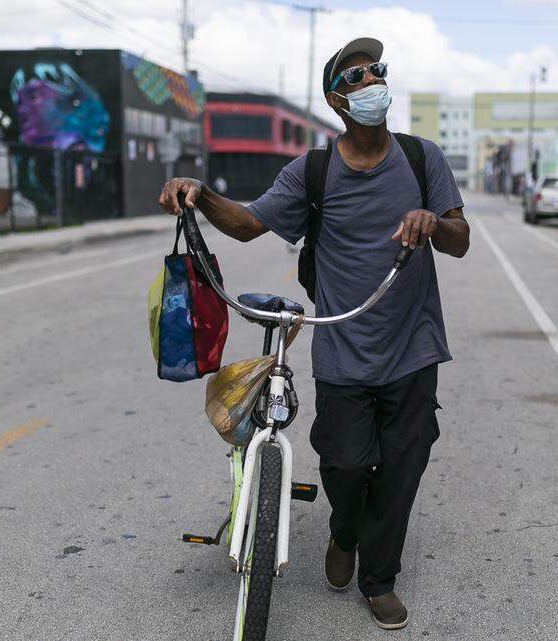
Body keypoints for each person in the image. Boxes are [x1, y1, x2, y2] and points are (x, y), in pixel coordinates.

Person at [158, 36, 469, 631]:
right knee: (346, 466)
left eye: (377, 70)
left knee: (401, 469)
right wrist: (201, 193)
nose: (372, 81)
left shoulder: (422, 157)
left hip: (414, 345)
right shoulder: (314, 171)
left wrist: (434, 224)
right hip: (342, 349)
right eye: (356, 76)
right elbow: (248, 224)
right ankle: (344, 532)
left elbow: (461, 239)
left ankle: (379, 580)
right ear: (335, 99)